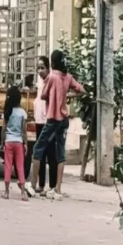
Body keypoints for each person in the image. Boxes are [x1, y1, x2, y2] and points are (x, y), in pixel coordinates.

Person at [26, 50, 84, 200]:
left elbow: (43, 95)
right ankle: (57, 190)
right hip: (64, 120)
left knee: (38, 149)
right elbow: (81, 90)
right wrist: (67, 95)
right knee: (60, 154)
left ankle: (33, 185)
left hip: (52, 118)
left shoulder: (51, 77)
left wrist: (54, 95)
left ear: (52, 62)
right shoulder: (68, 77)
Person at [28, 56, 58, 194]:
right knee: (40, 153)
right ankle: (40, 184)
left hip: (49, 122)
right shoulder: (40, 82)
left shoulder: (52, 80)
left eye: (42, 68)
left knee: (51, 154)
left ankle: (52, 186)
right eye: (38, 68)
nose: (40, 71)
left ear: (48, 68)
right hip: (39, 121)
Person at [2, 86, 28, 201]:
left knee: (8, 166)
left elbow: (3, 129)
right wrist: (25, 144)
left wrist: (2, 142)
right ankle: (23, 193)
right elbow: (24, 131)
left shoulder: (7, 112)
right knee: (20, 167)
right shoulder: (22, 113)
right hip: (19, 142)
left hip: (8, 142)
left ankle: (6, 192)